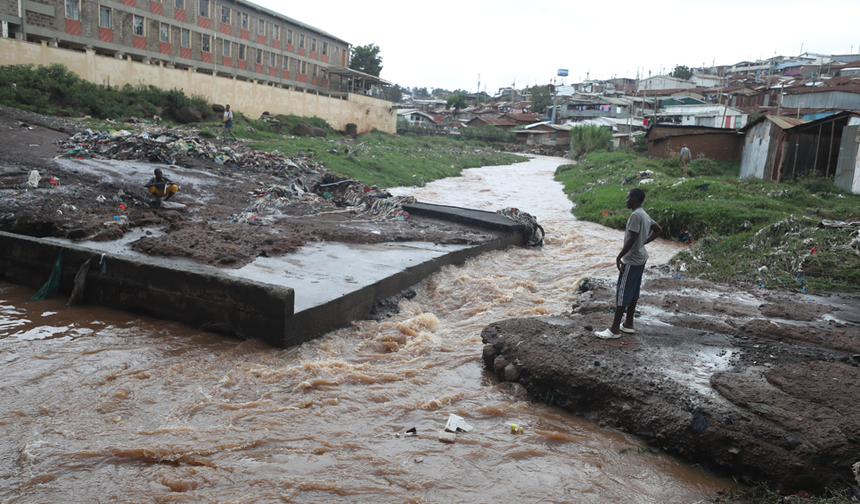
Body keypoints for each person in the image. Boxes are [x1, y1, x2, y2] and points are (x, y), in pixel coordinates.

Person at [595, 188, 662, 339]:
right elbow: (658, 229)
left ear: (635, 198)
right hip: (641, 258)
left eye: (628, 197)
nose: (626, 200)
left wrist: (619, 256)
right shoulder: (644, 214)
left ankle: (614, 330)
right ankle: (628, 324)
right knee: (633, 292)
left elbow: (632, 239)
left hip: (631, 260)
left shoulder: (635, 216)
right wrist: (644, 242)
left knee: (622, 292)